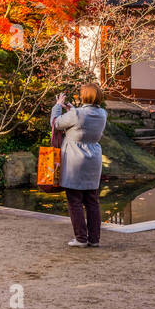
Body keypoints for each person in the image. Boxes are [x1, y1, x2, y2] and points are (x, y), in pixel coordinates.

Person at [50, 82, 108, 247]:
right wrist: (72, 111)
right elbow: (82, 122)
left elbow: (56, 123)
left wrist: (58, 106)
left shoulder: (77, 114)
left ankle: (81, 238)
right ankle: (94, 239)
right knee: (92, 200)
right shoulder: (103, 113)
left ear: (84, 96)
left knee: (74, 200)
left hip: (75, 160)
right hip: (94, 158)